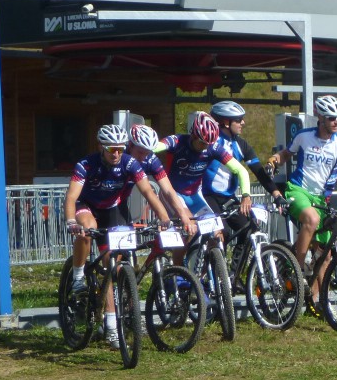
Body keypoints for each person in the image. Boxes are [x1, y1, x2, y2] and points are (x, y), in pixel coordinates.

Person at [64, 124, 173, 348]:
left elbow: (148, 191)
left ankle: (112, 327)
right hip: (87, 206)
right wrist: (71, 221)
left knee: (111, 268)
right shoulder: (86, 164)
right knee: (88, 229)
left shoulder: (130, 163)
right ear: (101, 147)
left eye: (120, 149)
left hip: (112, 210)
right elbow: (71, 196)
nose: (116, 154)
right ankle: (77, 276)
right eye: (111, 149)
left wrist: (164, 217)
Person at [265, 94, 337, 285]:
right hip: (298, 190)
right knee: (312, 219)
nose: (336, 122)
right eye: (332, 118)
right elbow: (286, 153)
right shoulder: (304, 136)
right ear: (321, 118)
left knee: (324, 256)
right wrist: (273, 160)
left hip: (319, 198)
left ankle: (317, 299)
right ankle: (297, 271)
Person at [203, 100, 287, 280]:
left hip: (227, 197)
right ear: (226, 122)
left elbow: (259, 172)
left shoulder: (241, 145)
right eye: (238, 120)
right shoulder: (210, 142)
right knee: (222, 232)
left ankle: (233, 277)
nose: (243, 123)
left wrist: (277, 195)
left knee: (249, 228)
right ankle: (213, 278)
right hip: (206, 196)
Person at [155, 111, 253, 221]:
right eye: (203, 143)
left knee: (215, 229)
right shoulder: (177, 141)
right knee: (190, 223)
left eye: (209, 143)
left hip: (194, 195)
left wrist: (246, 195)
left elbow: (241, 170)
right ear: (193, 135)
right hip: (173, 193)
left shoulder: (213, 148)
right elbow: (154, 147)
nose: (205, 147)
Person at [121, 123, 196, 235]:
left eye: (147, 153)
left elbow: (167, 190)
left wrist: (176, 218)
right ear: (130, 145)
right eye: (140, 152)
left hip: (120, 200)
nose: (143, 157)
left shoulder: (151, 159)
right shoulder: (119, 156)